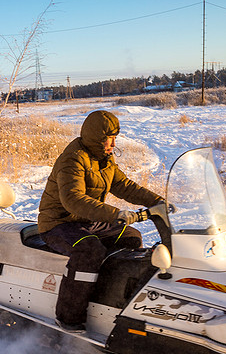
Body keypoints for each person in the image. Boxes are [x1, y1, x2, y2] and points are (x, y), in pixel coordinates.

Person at [38, 110, 164, 332]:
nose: (114, 143)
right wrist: (114, 214)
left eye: (115, 138)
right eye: (110, 138)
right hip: (58, 223)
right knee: (89, 250)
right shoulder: (73, 159)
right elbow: (73, 200)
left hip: (84, 221)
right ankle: (69, 318)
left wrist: (158, 202)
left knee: (131, 237)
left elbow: (124, 186)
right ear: (97, 137)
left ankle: (107, 299)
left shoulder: (104, 159)